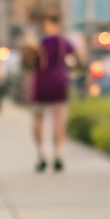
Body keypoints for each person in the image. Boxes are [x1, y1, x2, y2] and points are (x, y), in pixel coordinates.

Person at [30, 13, 75, 172]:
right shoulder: (64, 42)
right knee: (59, 119)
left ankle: (41, 154)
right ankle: (57, 154)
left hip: (41, 83)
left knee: (38, 119)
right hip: (59, 82)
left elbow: (29, 63)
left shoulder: (38, 42)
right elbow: (76, 59)